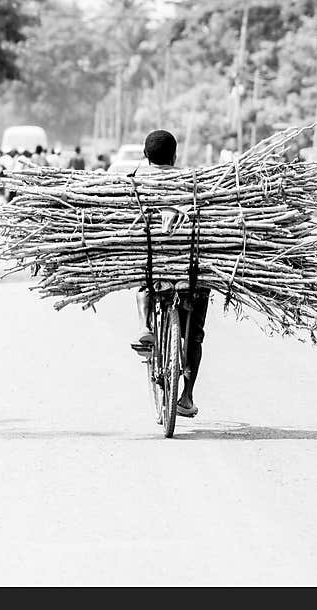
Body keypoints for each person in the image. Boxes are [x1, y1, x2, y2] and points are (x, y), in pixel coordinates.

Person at [134, 129, 209, 418]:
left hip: (154, 267)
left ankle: (146, 327)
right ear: (175, 156)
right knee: (196, 336)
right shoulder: (192, 182)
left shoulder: (136, 182)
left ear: (145, 155)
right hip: (192, 272)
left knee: (144, 279)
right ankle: (186, 397)